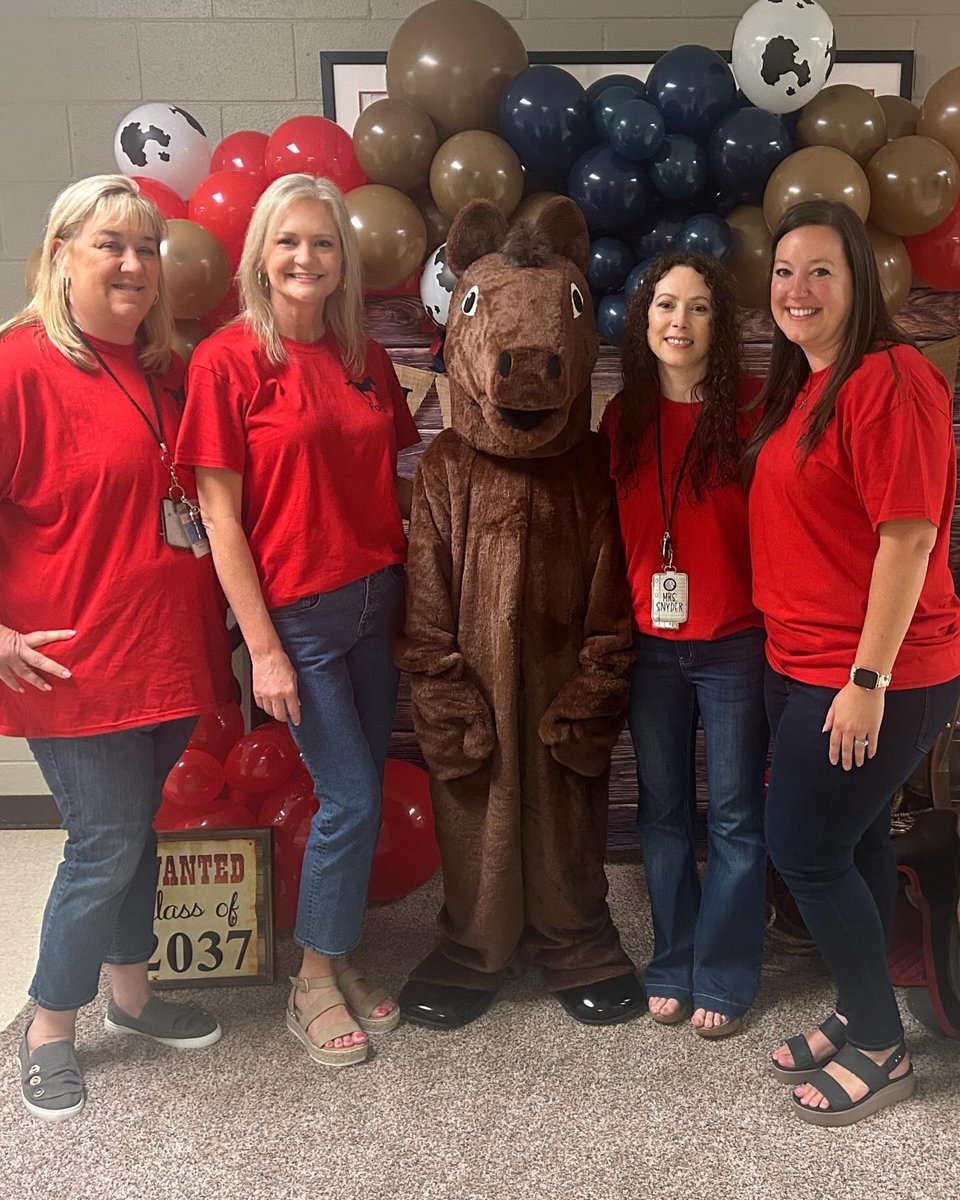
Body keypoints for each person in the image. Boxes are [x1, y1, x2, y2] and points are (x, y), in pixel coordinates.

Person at [0, 175, 233, 1123]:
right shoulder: (18, 366)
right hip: (74, 663)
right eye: (110, 245)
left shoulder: (160, 368)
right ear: (61, 255)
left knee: (138, 835)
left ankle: (131, 997)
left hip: (166, 656)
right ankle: (49, 1022)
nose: (133, 264)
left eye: (146, 248)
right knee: (103, 844)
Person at [177, 174, 420, 1068]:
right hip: (300, 622)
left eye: (322, 243)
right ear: (259, 255)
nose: (305, 258)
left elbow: (389, 484)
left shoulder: (366, 359)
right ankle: (312, 979)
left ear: (343, 260)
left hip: (374, 601)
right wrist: (266, 650)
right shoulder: (227, 360)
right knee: (352, 797)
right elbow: (220, 517)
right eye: (288, 241)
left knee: (350, 792)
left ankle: (338, 955)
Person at [745, 199, 960, 1126]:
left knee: (804, 849)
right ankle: (858, 1004)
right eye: (786, 271)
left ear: (859, 281)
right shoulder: (809, 384)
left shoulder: (892, 379)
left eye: (821, 270)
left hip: (876, 675)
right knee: (854, 841)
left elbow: (907, 543)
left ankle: (882, 1044)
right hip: (799, 659)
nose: (798, 289)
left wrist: (865, 683)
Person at [600, 251, 769, 1039]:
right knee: (663, 812)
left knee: (734, 815)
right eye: (665, 304)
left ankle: (727, 968)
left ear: (718, 325)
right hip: (652, 648)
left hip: (735, 644)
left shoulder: (753, 411)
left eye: (698, 308)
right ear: (644, 320)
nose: (679, 321)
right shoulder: (621, 419)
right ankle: (673, 957)